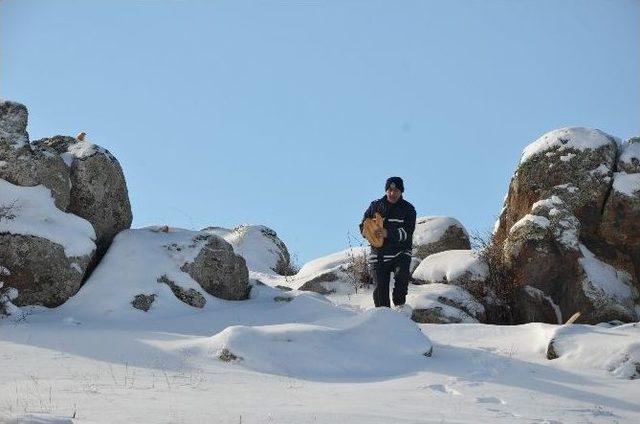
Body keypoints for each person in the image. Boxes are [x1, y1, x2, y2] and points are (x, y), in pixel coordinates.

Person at [359, 176, 416, 311]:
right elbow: (363, 226)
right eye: (390, 190)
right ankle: (384, 317)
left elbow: (408, 233)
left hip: (400, 252)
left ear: (401, 192)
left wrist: (387, 233)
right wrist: (369, 233)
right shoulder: (375, 206)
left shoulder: (408, 209)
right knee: (380, 292)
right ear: (386, 190)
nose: (392, 193)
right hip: (379, 254)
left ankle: (400, 306)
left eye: (396, 191)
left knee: (401, 277)